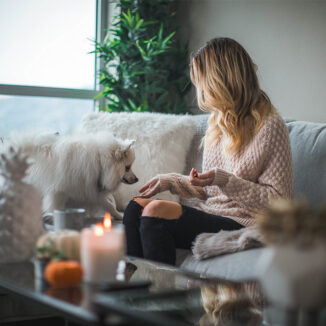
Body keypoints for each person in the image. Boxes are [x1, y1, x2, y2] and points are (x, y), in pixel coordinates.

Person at [123, 37, 294, 265]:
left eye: (202, 82)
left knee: (156, 212)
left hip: (247, 222)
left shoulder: (270, 125)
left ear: (220, 81)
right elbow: (210, 190)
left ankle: (160, 297)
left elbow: (279, 203)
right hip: (212, 212)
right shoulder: (218, 121)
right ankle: (132, 290)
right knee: (135, 207)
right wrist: (171, 181)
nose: (200, 90)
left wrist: (225, 181)